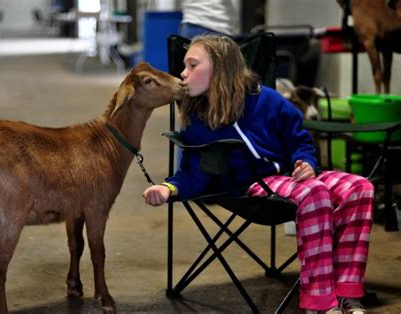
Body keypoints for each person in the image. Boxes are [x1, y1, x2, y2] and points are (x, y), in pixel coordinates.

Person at [142, 35, 373, 314]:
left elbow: (299, 141)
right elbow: (193, 173)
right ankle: (319, 301)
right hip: (252, 187)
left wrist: (306, 162)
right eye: (185, 66)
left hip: (293, 177)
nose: (183, 73)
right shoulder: (199, 121)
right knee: (315, 193)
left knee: (360, 187)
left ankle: (346, 290)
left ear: (220, 69)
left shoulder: (268, 100)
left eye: (192, 65)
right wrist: (169, 188)